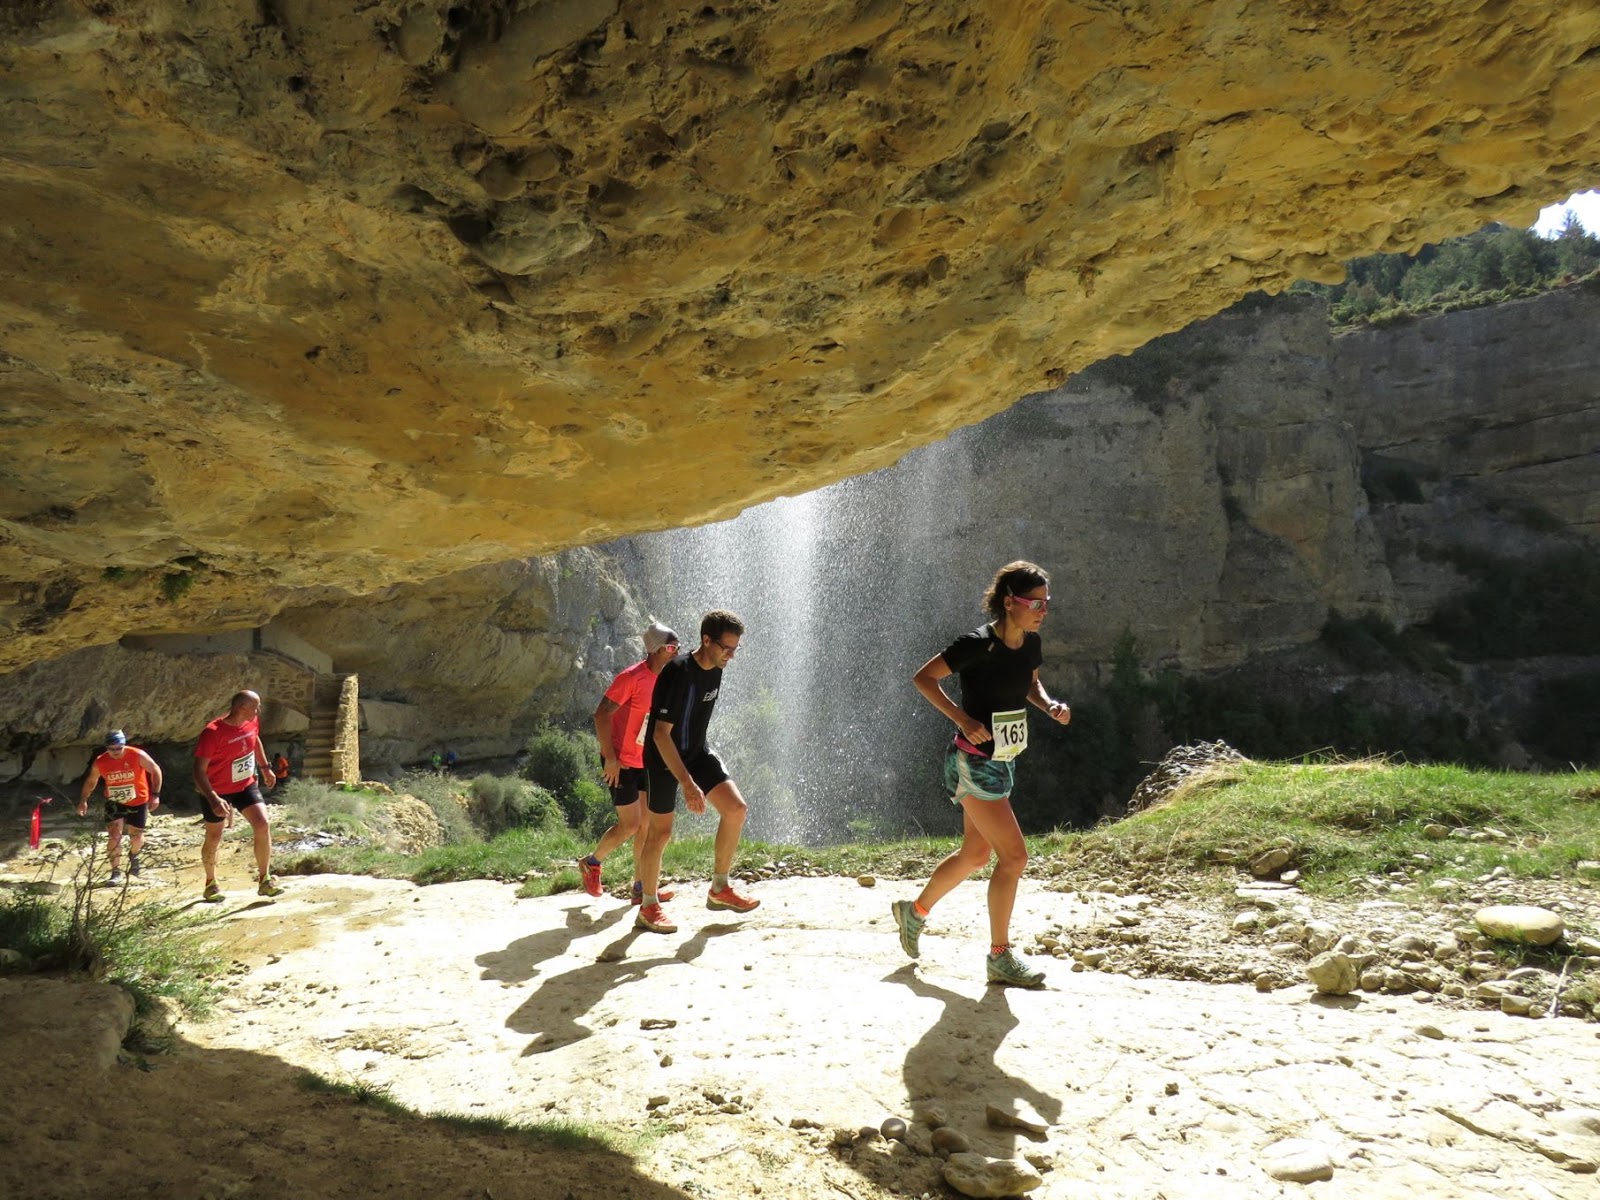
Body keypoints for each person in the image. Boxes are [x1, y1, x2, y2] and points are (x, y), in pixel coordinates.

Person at [892, 561, 1072, 987]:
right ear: (1009, 602)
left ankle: (913, 912)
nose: (1043, 610)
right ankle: (999, 956)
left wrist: (1049, 705)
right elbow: (924, 678)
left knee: (975, 855)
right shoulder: (977, 644)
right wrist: (962, 719)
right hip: (973, 763)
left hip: (1002, 760)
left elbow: (1030, 683)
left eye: (1046, 602)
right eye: (1035, 603)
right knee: (1014, 857)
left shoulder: (1030, 643)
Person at [632, 610, 760, 933]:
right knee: (660, 833)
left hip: (696, 752)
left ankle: (719, 888)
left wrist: (695, 771)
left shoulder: (717, 668)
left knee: (736, 809)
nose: (731, 656)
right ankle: (648, 906)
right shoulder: (677, 672)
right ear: (706, 640)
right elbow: (661, 735)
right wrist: (688, 784)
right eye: (726, 648)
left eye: (735, 649)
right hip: (662, 758)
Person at [577, 621, 682, 905]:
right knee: (631, 824)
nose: (677, 652)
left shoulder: (668, 680)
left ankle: (641, 887)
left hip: (645, 760)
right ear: (655, 650)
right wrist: (610, 758)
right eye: (672, 647)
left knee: (646, 826)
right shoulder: (631, 678)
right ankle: (592, 863)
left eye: (678, 647)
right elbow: (601, 714)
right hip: (620, 761)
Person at [193, 690, 281, 901]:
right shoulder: (213, 733)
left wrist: (265, 767)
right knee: (214, 836)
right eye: (255, 707)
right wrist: (213, 799)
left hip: (244, 785)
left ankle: (265, 880)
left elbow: (254, 739)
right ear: (242, 708)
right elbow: (198, 770)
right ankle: (211, 883)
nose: (258, 711)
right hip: (216, 790)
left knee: (262, 824)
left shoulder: (251, 721)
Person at [76, 730, 163, 884]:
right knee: (114, 836)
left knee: (136, 837)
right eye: (111, 749)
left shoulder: (137, 755)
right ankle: (115, 872)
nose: (115, 752)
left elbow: (155, 770)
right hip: (114, 801)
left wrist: (155, 795)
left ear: (124, 745)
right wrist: (83, 800)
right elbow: (91, 781)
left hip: (138, 801)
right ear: (106, 748)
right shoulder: (101, 761)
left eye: (119, 748)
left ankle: (134, 855)